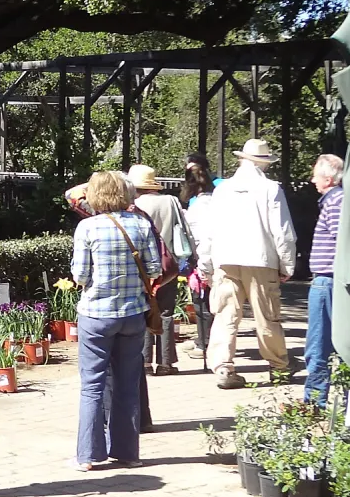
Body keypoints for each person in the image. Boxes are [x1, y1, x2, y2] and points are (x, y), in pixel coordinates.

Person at [70, 171, 162, 471]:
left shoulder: (87, 227)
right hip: (133, 314)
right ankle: (127, 453)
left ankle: (89, 455)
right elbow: (154, 268)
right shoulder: (141, 224)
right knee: (127, 385)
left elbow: (80, 275)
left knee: (92, 386)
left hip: (96, 315)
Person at [195, 138, 299, 389]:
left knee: (224, 315)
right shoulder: (271, 189)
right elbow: (282, 232)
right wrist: (287, 265)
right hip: (261, 260)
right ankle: (278, 366)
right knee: (267, 317)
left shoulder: (223, 189)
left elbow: (209, 231)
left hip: (225, 260)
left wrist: (205, 264)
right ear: (263, 163)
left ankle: (223, 367)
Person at [128, 164, 190, 375]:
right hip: (168, 265)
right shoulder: (171, 201)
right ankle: (166, 364)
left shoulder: (131, 204)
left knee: (143, 311)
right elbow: (185, 231)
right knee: (166, 312)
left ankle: (144, 363)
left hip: (141, 266)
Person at [306, 154, 344, 406]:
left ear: (328, 179)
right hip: (329, 281)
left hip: (328, 281)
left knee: (318, 347)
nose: (312, 180)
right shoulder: (336, 200)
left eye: (316, 176)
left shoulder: (337, 201)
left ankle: (314, 405)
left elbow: (343, 241)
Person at [180, 156, 217, 358]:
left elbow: (198, 240)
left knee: (202, 304)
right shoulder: (219, 202)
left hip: (204, 261)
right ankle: (205, 341)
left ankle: (205, 345)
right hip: (221, 261)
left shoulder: (196, 210)